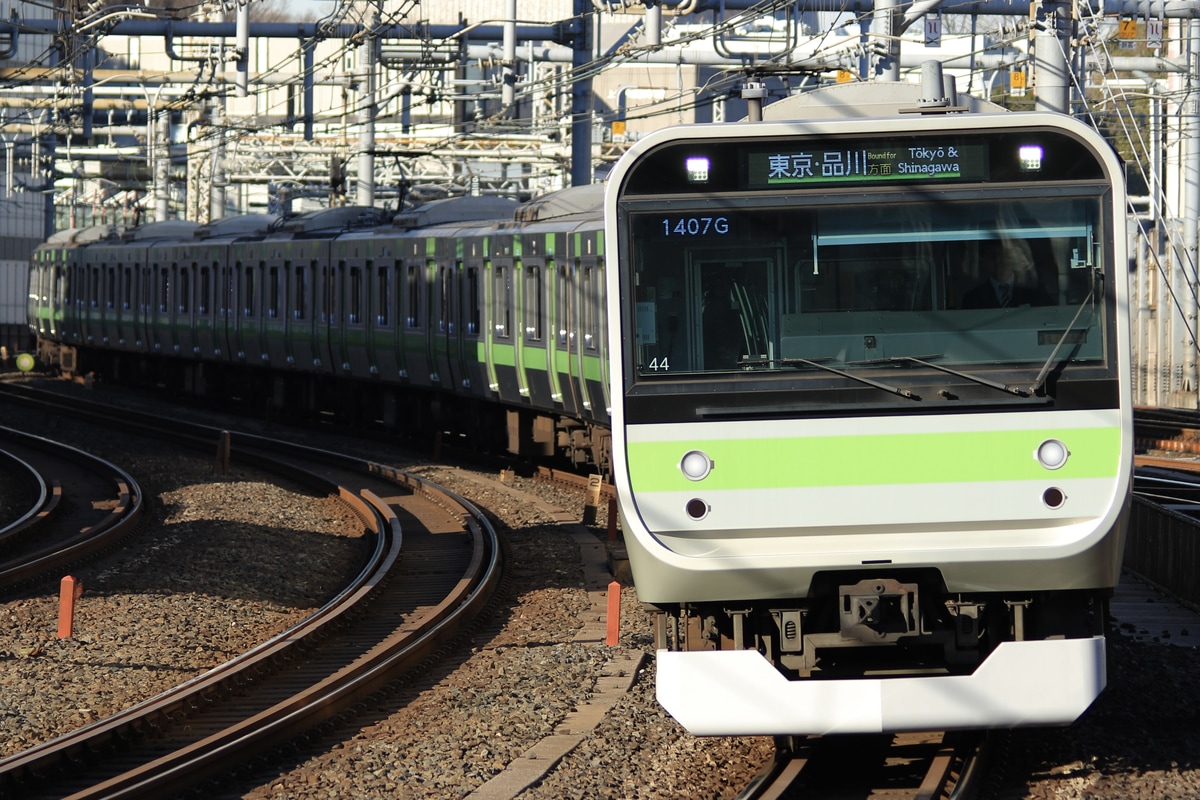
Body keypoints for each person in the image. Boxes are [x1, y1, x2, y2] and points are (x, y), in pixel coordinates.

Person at [961, 239, 1051, 309]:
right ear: (982, 261)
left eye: (1003, 255)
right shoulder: (972, 298)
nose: (998, 260)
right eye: (992, 255)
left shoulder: (1035, 292)